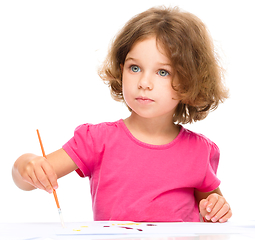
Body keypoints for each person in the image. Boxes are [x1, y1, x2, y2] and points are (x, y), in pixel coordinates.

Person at [12, 6, 232, 223]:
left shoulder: (199, 151)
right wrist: (26, 164)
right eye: (135, 68)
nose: (144, 83)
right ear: (121, 69)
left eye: (163, 72)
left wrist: (216, 209)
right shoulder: (96, 140)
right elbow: (26, 181)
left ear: (188, 81)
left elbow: (213, 212)